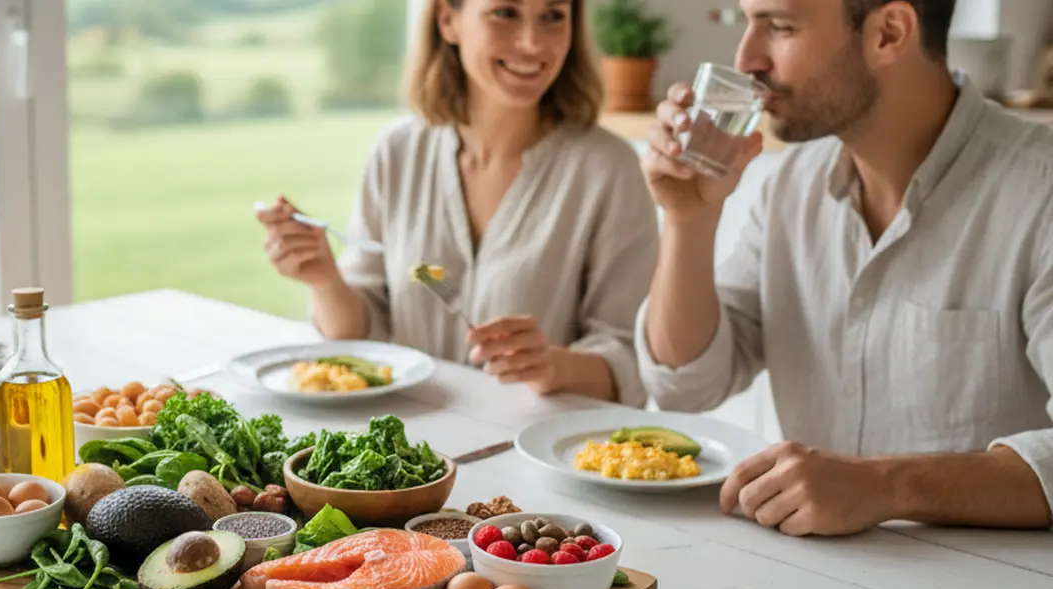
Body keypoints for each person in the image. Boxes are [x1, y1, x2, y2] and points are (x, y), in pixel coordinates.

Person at [638, 0, 1053, 536]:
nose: (746, 58)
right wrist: (687, 221)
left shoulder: (1039, 192)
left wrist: (885, 485)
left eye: (780, 26)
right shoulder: (789, 188)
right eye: (747, 22)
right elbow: (686, 383)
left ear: (889, 32)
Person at [257, 0, 659, 404]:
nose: (532, 43)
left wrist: (554, 366)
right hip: (411, 451)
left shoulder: (610, 169)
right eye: (505, 13)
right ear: (448, 20)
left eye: (553, 16)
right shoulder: (397, 152)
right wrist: (324, 279)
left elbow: (634, 361)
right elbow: (360, 335)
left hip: (530, 454)